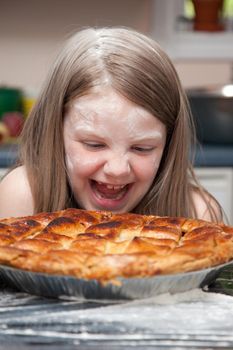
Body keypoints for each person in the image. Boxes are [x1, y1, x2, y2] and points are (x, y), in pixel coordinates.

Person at [0, 27, 223, 222]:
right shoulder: (23, 197)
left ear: (169, 142)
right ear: (55, 131)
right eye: (94, 144)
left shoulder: (197, 213)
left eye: (141, 148)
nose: (117, 170)